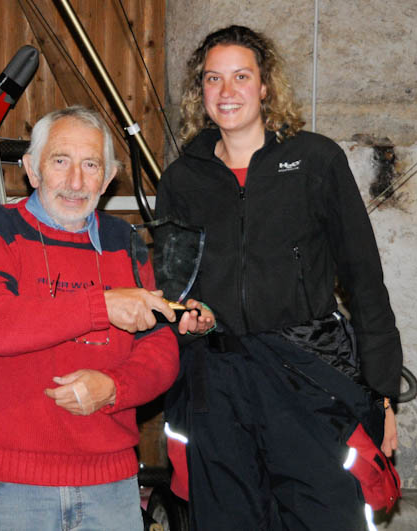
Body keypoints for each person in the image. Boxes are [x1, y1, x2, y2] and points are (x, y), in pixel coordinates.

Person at [155, 25, 403, 530]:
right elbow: (173, 287)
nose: (227, 91)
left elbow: (365, 281)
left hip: (305, 373)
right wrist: (186, 320)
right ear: (200, 91)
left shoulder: (316, 160)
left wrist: (381, 394)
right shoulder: (182, 178)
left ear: (265, 85)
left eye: (241, 76)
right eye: (213, 78)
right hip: (218, 386)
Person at [0, 106, 215, 530]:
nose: (75, 182)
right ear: (32, 170)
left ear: (108, 178)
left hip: (111, 489)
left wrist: (114, 388)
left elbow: (160, 351)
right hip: (10, 490)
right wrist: (103, 306)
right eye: (60, 161)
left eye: (91, 165)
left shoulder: (124, 242)